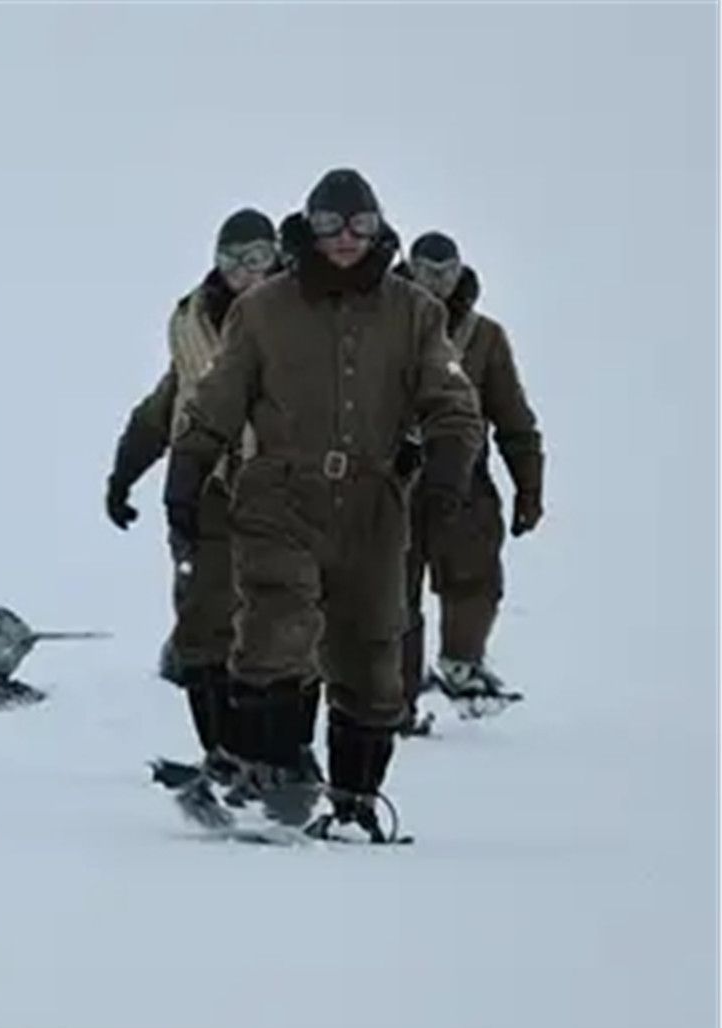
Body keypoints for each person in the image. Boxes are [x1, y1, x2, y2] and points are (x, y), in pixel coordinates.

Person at [163, 168, 484, 841]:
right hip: (279, 492)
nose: (346, 240)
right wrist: (186, 472)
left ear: (379, 229)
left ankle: (355, 800)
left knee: (372, 658)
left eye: (361, 226)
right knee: (278, 627)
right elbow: (216, 399)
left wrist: (451, 472)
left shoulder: (415, 313)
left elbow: (451, 403)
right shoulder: (263, 310)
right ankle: (275, 780)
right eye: (332, 226)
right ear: (308, 227)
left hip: (375, 502)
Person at [107, 209, 319, 782]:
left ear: (275, 256)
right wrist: (126, 472)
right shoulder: (192, 320)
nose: (242, 271)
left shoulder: (305, 308)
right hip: (203, 492)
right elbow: (167, 404)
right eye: (231, 259)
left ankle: (288, 756)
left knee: (285, 628)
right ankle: (223, 754)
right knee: (203, 626)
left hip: (284, 490)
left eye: (255, 259)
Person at [394, 232, 545, 721]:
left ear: (460, 272)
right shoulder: (379, 322)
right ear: (407, 270)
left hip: (463, 475)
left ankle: (461, 665)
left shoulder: (484, 338)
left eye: (445, 272)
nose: (435, 283)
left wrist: (529, 485)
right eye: (424, 272)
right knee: (392, 589)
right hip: (391, 476)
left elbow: (513, 418)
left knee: (475, 575)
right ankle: (396, 692)